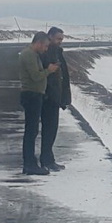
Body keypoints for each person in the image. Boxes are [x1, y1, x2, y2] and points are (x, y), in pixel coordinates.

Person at [19, 32, 59, 175]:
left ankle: (31, 163)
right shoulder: (29, 55)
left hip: (35, 95)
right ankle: (29, 164)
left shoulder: (33, 54)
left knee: (33, 130)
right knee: (31, 131)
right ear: (39, 43)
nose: (46, 49)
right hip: (31, 95)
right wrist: (49, 71)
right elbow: (36, 76)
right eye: (46, 46)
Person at [38, 26, 71, 171]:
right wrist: (50, 94)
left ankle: (49, 158)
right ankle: (46, 160)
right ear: (50, 36)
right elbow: (47, 75)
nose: (60, 42)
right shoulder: (46, 52)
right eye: (58, 38)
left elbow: (62, 76)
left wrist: (63, 97)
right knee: (49, 129)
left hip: (55, 96)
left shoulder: (57, 51)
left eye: (62, 39)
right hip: (48, 97)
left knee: (51, 129)